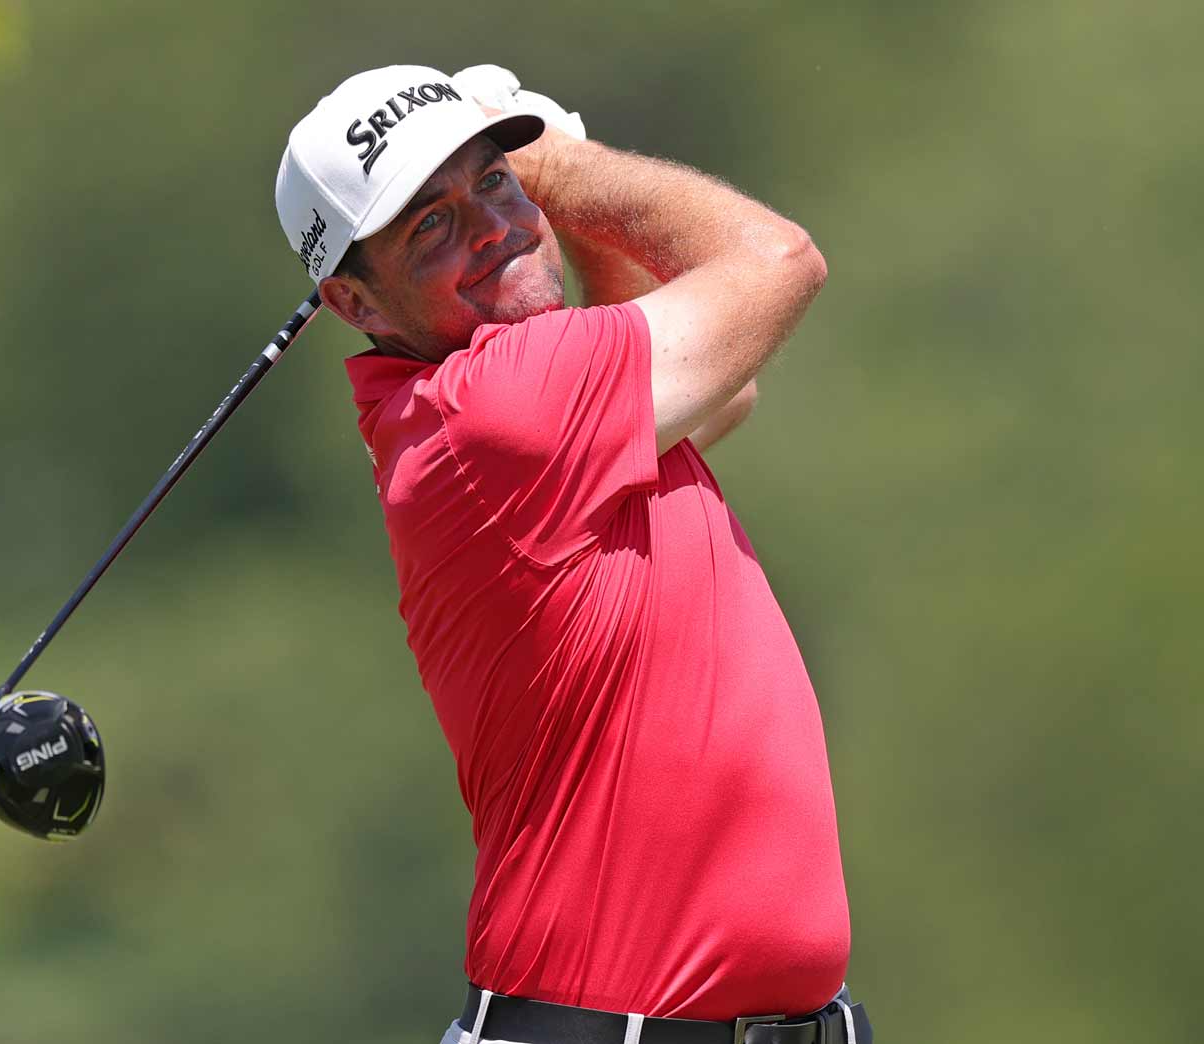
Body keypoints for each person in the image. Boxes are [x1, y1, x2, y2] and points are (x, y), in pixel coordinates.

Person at [274, 65, 870, 1044]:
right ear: (357, 303)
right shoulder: (494, 414)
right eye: (428, 225)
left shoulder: (519, 416)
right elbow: (777, 260)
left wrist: (555, 203)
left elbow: (719, 393)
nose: (490, 226)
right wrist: (561, 165)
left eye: (491, 182)